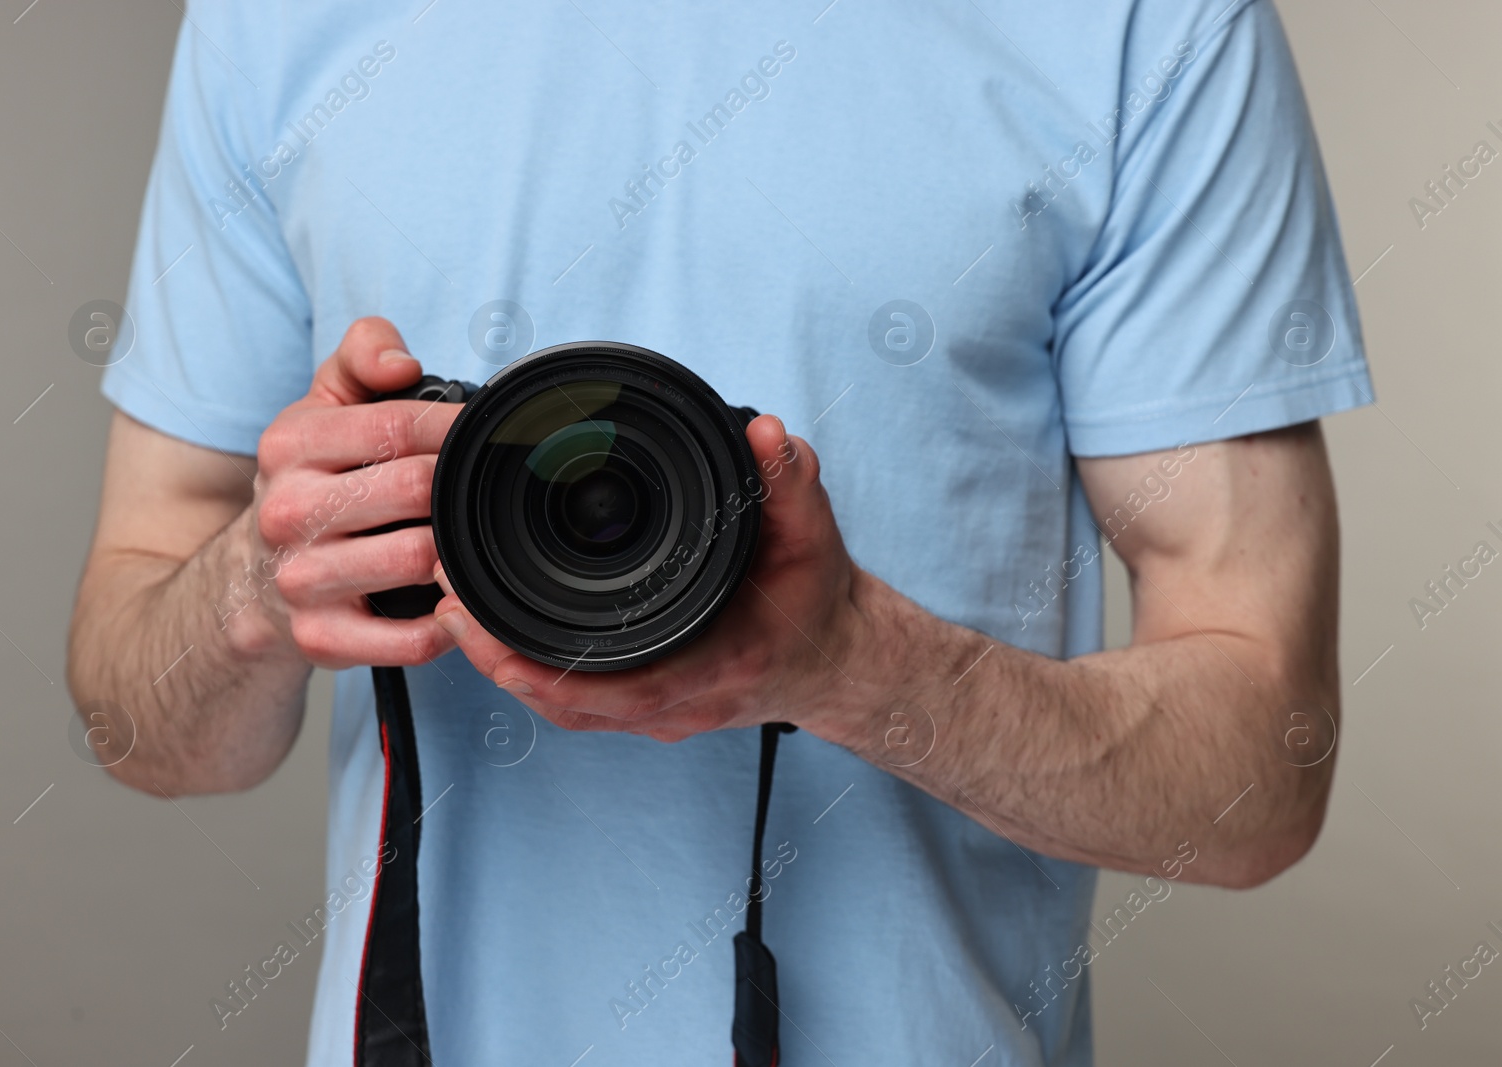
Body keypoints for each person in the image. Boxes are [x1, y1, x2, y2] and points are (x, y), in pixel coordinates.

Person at [66, 0, 1371, 1062]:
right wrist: (260, 581)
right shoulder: (272, 21)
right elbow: (143, 728)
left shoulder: (1149, 26)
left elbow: (1263, 776)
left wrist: (855, 661)